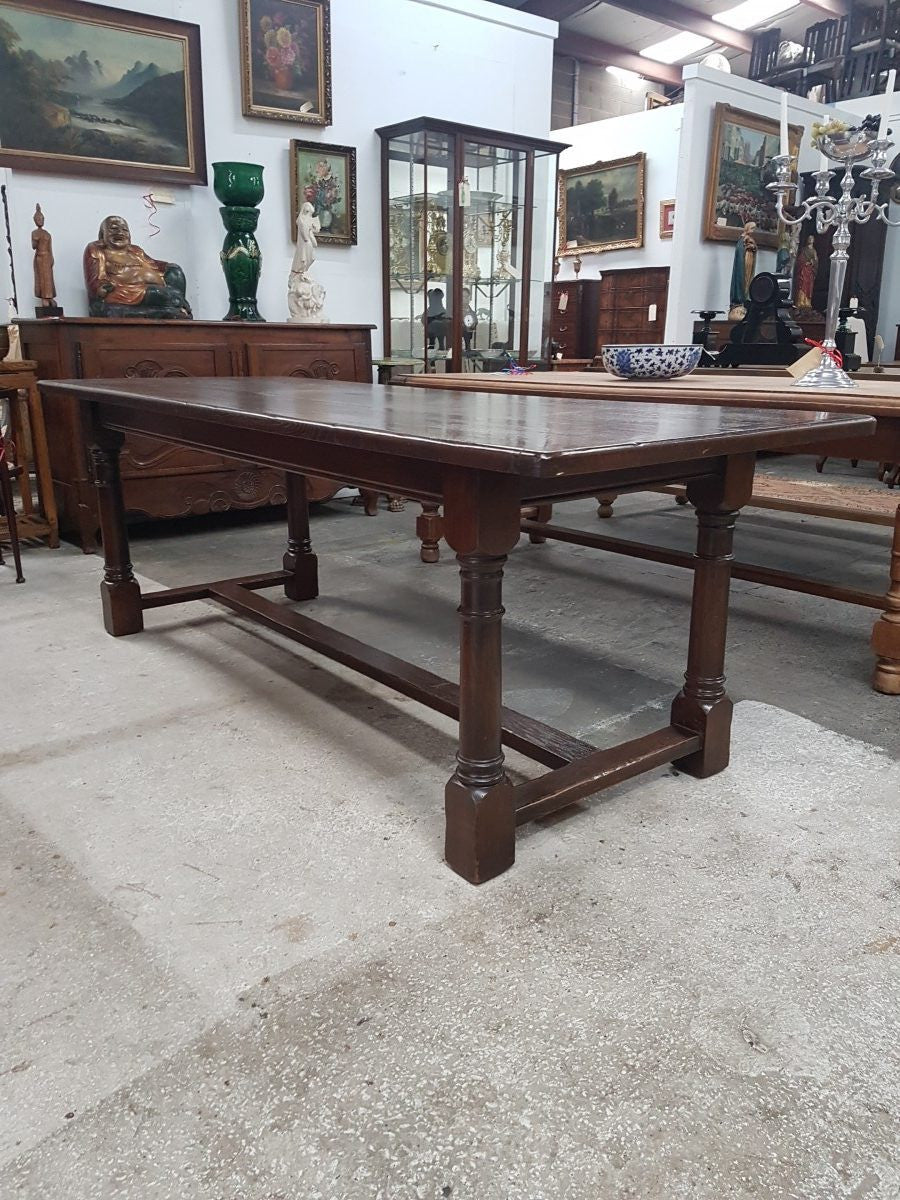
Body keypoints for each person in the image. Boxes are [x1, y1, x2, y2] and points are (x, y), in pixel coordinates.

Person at [84, 215, 191, 318]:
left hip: (152, 288)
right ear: (103, 234)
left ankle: (176, 308)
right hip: (125, 292)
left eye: (124, 230)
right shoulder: (97, 249)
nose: (120, 232)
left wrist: (168, 267)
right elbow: (94, 278)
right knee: (159, 293)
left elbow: (154, 264)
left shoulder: (135, 250)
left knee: (175, 273)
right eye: (114, 229)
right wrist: (100, 286)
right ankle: (175, 307)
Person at [728, 221, 757, 319]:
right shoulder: (742, 240)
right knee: (742, 280)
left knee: (748, 282)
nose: (753, 231)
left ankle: (745, 301)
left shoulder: (750, 239)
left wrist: (753, 248)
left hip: (750, 262)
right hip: (743, 262)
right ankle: (738, 303)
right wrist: (747, 248)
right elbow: (740, 251)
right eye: (752, 228)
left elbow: (754, 248)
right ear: (747, 228)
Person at [32, 204, 56, 307]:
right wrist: (36, 240)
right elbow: (34, 246)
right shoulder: (34, 233)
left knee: (49, 278)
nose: (40, 221)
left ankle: (50, 297)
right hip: (40, 258)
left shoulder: (47, 234)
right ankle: (44, 297)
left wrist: (52, 258)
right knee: (42, 278)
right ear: (35, 221)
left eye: (42, 219)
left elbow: (50, 248)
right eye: (38, 219)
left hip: (47, 257)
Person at [292, 202, 320, 277]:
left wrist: (314, 226)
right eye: (309, 213)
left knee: (311, 257)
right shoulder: (301, 219)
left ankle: (303, 271)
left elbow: (316, 230)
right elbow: (304, 231)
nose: (310, 215)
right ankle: (300, 271)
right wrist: (308, 233)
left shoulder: (309, 219)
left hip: (309, 240)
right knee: (304, 257)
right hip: (305, 241)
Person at [794, 235, 819, 311]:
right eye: (809, 239)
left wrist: (812, 262)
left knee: (808, 287)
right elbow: (800, 260)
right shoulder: (804, 250)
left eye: (812, 239)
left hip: (810, 272)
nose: (810, 240)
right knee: (802, 285)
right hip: (804, 270)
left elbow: (816, 261)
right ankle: (800, 302)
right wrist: (805, 263)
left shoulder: (814, 251)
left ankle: (807, 302)